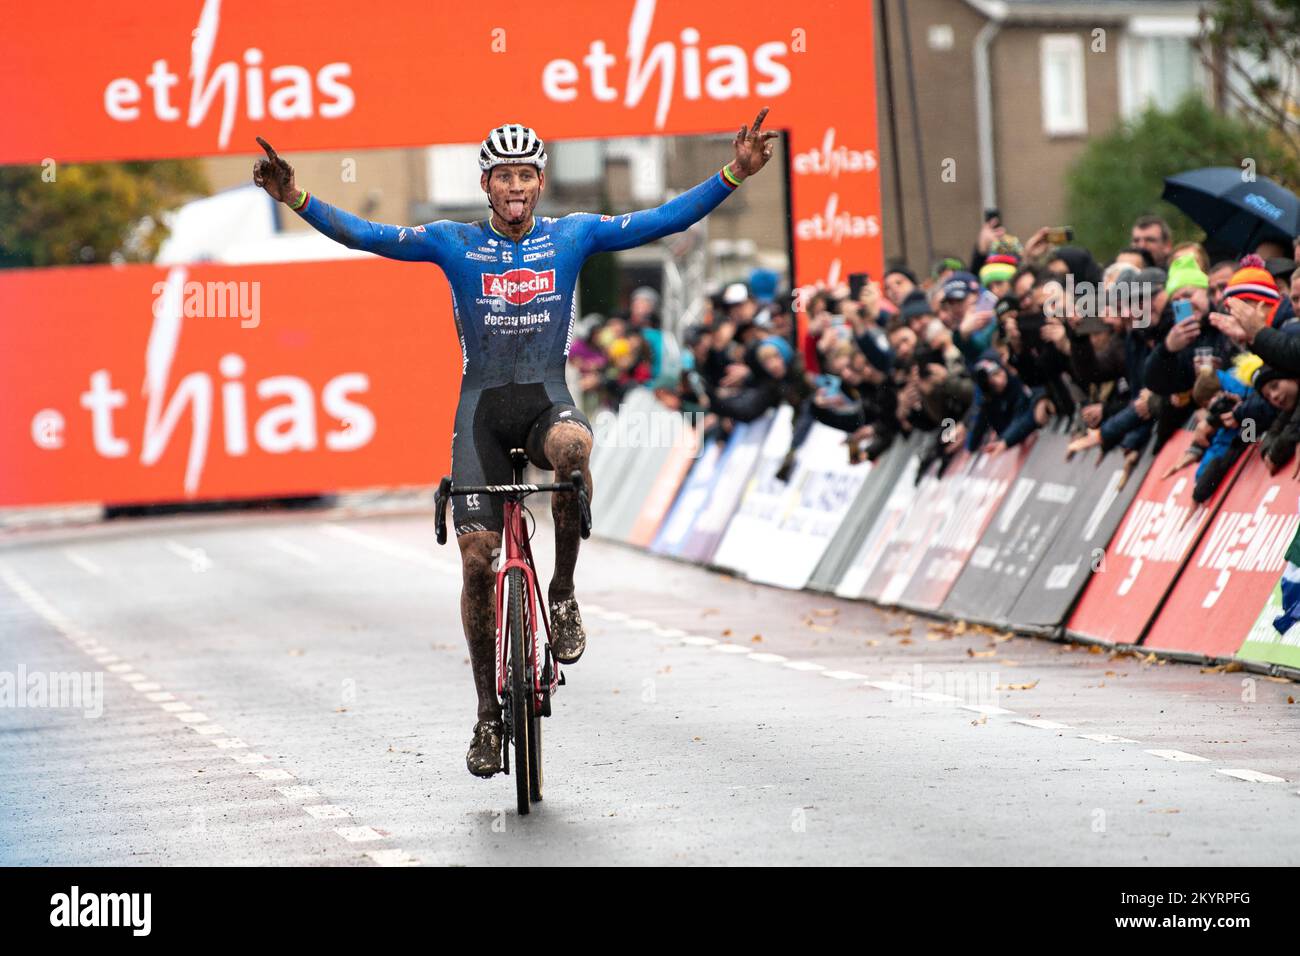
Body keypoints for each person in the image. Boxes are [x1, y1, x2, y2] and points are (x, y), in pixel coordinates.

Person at [252, 110, 780, 778]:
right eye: (504, 175)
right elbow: (367, 235)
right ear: (486, 183)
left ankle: (560, 592)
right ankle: (484, 717)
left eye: (526, 174)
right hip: (480, 412)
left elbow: (665, 220)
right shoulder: (451, 241)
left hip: (544, 401)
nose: (516, 186)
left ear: (539, 180)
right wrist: (294, 196)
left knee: (573, 453)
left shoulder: (574, 234)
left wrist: (735, 173)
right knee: (476, 560)